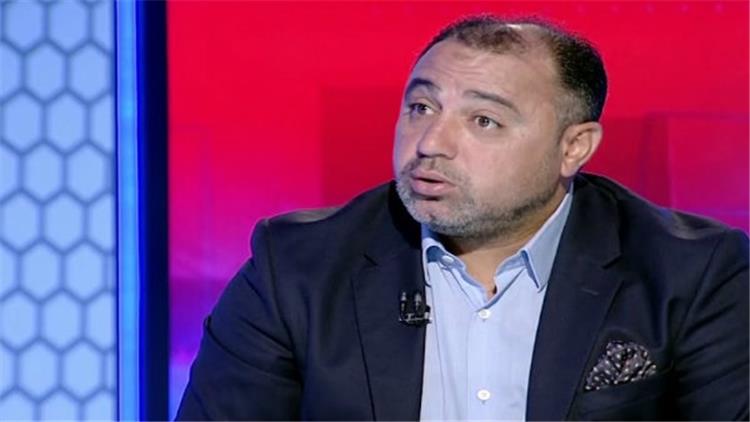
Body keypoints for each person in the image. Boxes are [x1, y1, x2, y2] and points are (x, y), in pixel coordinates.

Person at [176, 15, 748, 421]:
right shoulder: (297, 268)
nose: (430, 143)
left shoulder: (691, 274)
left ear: (574, 147)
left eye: (483, 121)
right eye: (421, 107)